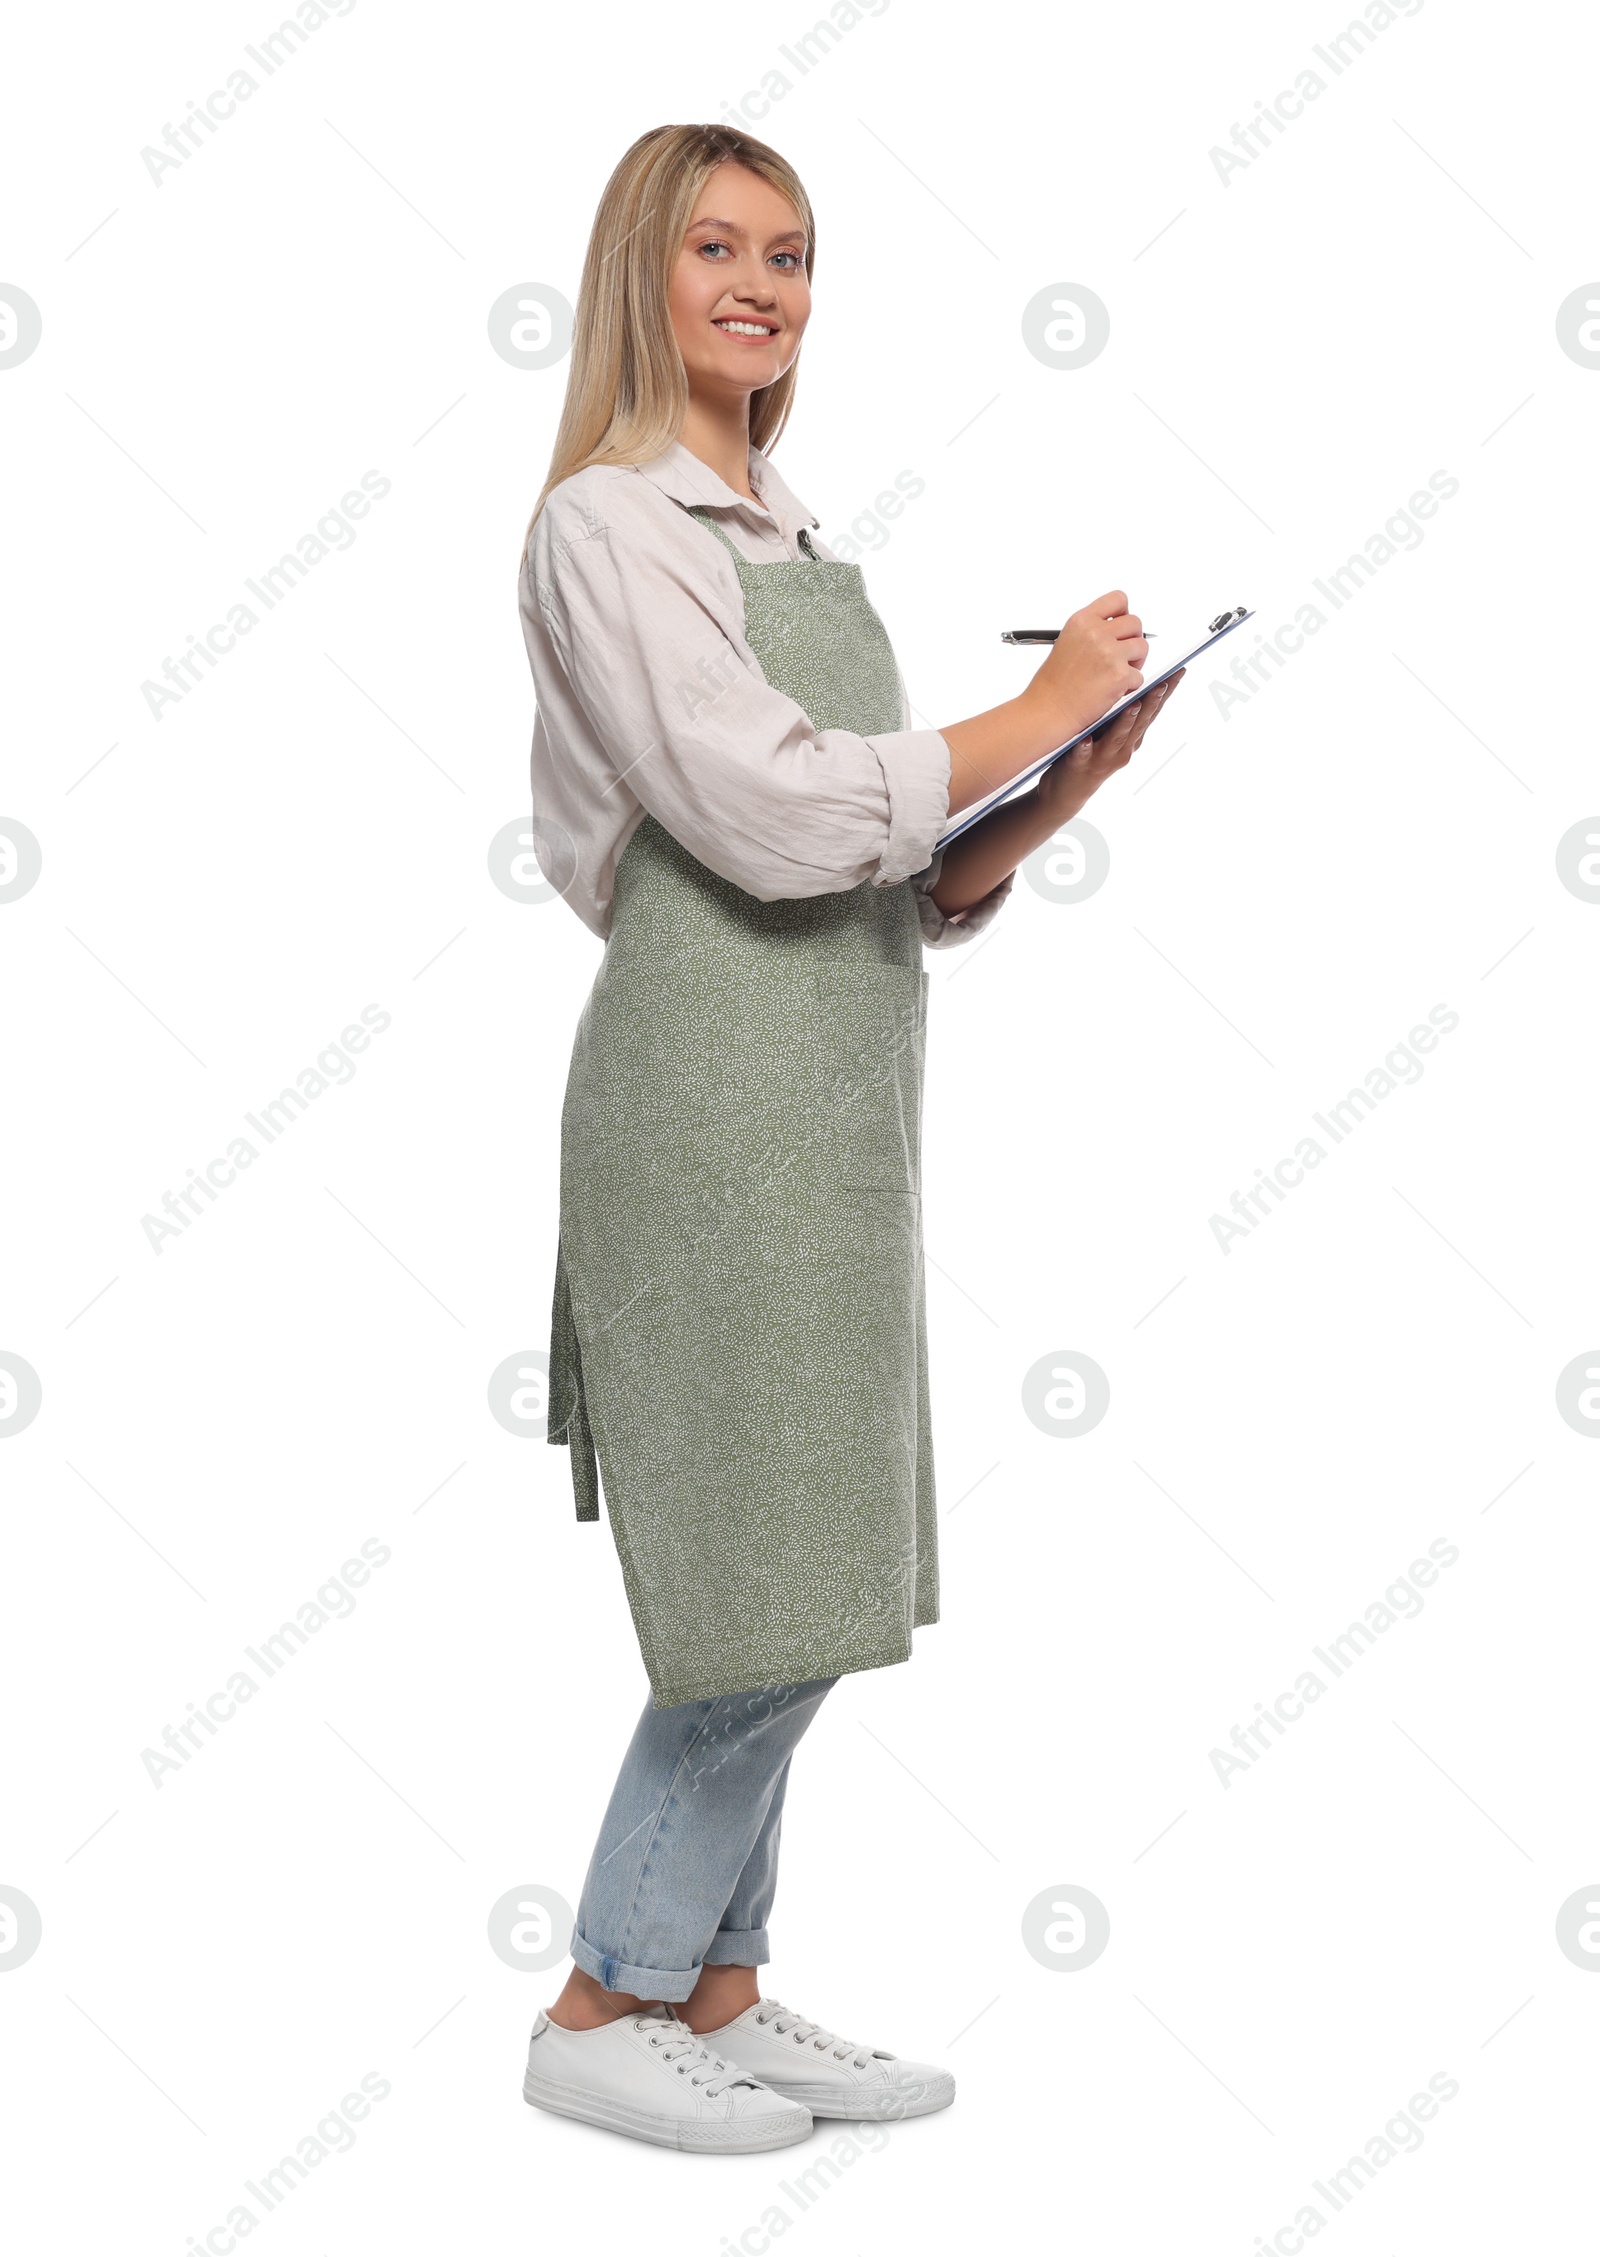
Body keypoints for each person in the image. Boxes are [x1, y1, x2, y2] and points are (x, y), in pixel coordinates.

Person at [515, 122, 1181, 2154]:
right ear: (641, 268)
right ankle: (604, 1997)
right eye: (715, 246)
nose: (759, 285)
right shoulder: (606, 529)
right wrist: (1033, 689)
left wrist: (1051, 782)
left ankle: (715, 1981)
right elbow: (778, 812)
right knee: (753, 1566)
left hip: (831, 1076)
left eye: (789, 255)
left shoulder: (777, 532)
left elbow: (873, 866)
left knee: (810, 1553)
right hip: (710, 1089)